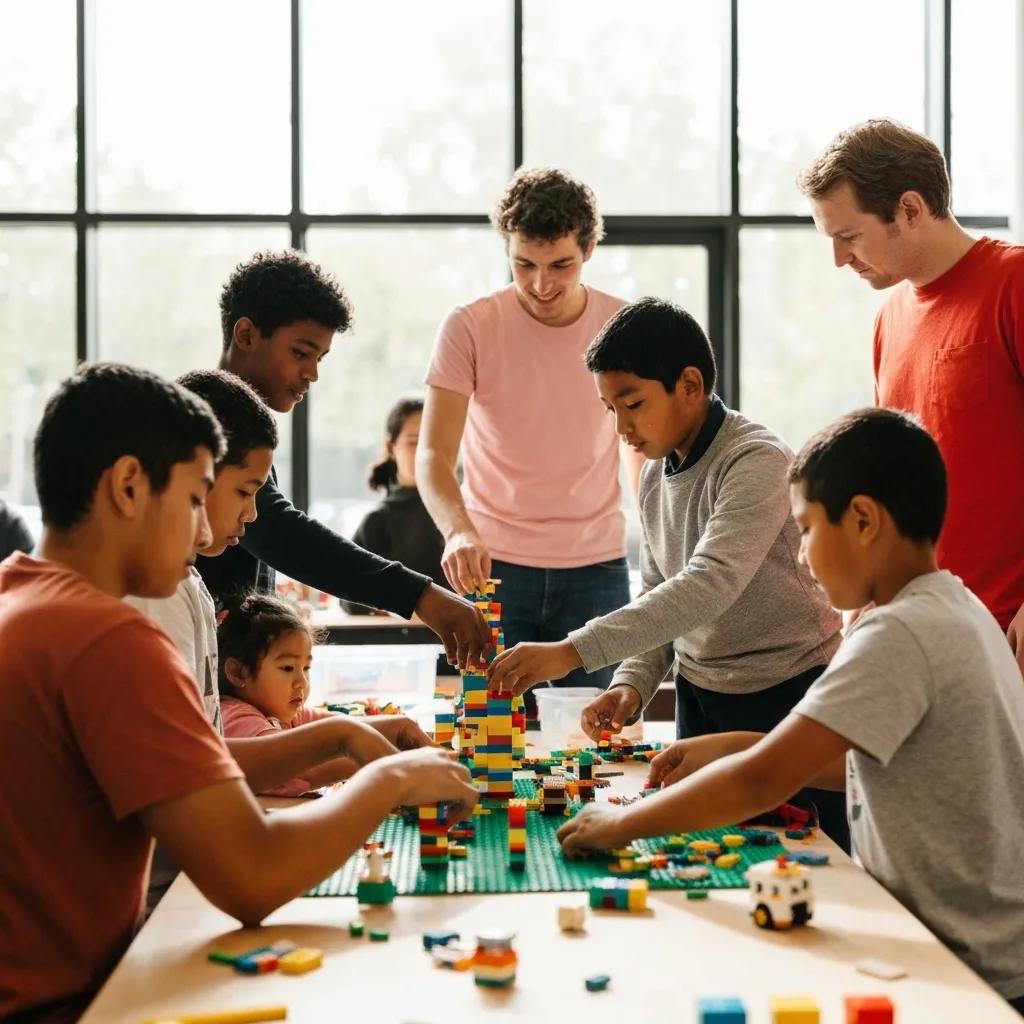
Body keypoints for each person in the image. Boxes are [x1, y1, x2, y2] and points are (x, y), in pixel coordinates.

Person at [0, 363, 478, 1022]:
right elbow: (253, 876)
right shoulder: (109, 640)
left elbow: (197, 762)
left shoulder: (21, 592)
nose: (206, 533)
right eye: (196, 498)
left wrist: (341, 738)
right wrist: (391, 780)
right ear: (129, 487)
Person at [558, 407, 1024, 1014]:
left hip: (970, 962)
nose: (801, 556)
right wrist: (732, 744)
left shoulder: (898, 632)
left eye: (805, 529)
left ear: (863, 520)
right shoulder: (953, 604)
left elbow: (761, 783)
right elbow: (872, 763)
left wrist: (620, 825)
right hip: (988, 942)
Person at [488, 298, 847, 848]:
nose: (621, 427)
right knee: (702, 858)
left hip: (786, 694)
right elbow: (660, 594)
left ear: (689, 385)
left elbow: (708, 584)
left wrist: (571, 651)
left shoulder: (756, 460)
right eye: (610, 409)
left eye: (632, 404)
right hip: (700, 698)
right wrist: (630, 684)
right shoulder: (654, 477)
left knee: (806, 863)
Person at [797, 119, 1024, 668]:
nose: (839, 259)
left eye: (850, 236)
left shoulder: (1013, 283)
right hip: (916, 632)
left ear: (911, 209)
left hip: (1008, 632)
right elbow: (889, 477)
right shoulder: (889, 319)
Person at [198, 249, 489, 669]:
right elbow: (278, 531)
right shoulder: (210, 424)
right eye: (300, 353)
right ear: (245, 335)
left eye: (319, 359)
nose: (312, 374)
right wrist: (420, 596)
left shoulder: (240, 424)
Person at [417, 167, 634, 708]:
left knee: (595, 736)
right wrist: (458, 532)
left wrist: (660, 539)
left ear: (589, 249)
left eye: (560, 265)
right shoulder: (469, 326)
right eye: (524, 265)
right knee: (492, 734)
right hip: (493, 566)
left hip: (597, 566)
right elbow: (433, 456)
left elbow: (642, 451)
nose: (541, 284)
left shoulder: (622, 325)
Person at [219, 592, 358, 796]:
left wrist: (395, 730)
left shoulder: (283, 712)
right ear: (239, 672)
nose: (302, 682)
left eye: (306, 668)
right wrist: (374, 757)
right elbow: (300, 768)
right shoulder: (235, 717)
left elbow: (341, 725)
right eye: (287, 668)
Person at [340, 396, 447, 614]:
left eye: (437, 441)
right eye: (414, 442)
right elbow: (349, 598)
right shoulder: (378, 522)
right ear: (391, 446)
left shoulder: (468, 514)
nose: (427, 452)